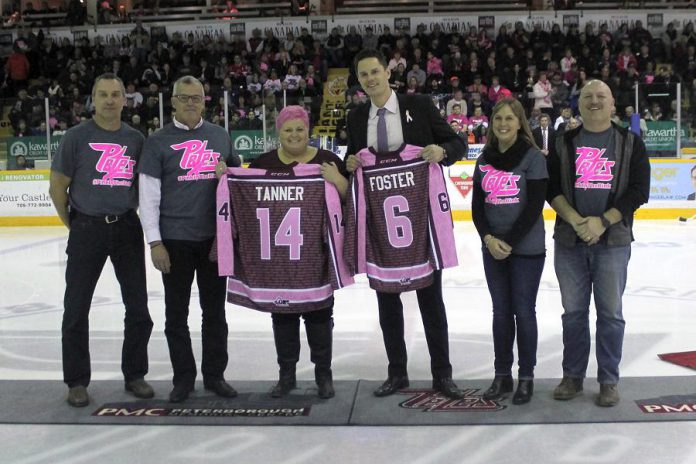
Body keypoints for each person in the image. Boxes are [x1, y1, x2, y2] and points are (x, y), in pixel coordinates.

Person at [345, 49, 467, 399]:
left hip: (422, 223)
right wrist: (350, 162)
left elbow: (456, 142)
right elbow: (349, 162)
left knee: (431, 302)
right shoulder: (356, 117)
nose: (370, 79)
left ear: (387, 73)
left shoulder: (421, 105)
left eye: (375, 72)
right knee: (387, 303)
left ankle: (442, 375)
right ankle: (396, 372)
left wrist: (442, 153)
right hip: (380, 228)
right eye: (363, 74)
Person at [220, 105, 349, 399]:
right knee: (283, 317)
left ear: (309, 131)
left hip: (316, 256)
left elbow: (349, 198)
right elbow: (244, 197)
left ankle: (323, 375)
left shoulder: (328, 161)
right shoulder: (264, 163)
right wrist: (225, 177)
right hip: (276, 259)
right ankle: (286, 375)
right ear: (279, 132)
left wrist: (337, 179)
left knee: (319, 316)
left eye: (300, 129)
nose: (294, 134)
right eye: (288, 129)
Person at [49, 73, 154, 407]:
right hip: (87, 229)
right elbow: (57, 188)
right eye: (103, 94)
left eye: (116, 94)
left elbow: (146, 187)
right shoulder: (76, 137)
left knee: (138, 307)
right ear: (93, 99)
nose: (110, 100)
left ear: (126, 99)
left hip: (126, 228)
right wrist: (76, 224)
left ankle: (135, 374)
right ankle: (77, 381)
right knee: (76, 308)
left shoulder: (136, 139)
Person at [547, 79, 650, 407]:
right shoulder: (563, 142)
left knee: (610, 315)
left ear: (612, 105)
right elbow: (551, 189)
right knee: (573, 314)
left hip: (613, 242)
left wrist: (602, 221)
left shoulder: (630, 142)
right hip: (569, 241)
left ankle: (608, 380)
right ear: (579, 104)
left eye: (601, 96)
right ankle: (573, 376)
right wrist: (578, 222)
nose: (594, 101)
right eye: (588, 96)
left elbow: (639, 191)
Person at [138, 76, 241, 403]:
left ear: (204, 100)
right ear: (173, 102)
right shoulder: (157, 142)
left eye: (196, 97)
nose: (191, 103)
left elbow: (238, 180)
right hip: (175, 242)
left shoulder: (219, 136)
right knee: (176, 314)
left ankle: (215, 376)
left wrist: (228, 172)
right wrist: (155, 242)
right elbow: (149, 196)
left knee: (214, 314)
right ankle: (183, 378)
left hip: (213, 240)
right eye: (184, 98)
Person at [472, 98, 548, 405]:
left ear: (519, 123)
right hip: (493, 249)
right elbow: (478, 207)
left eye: (509, 118)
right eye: (498, 119)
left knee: (524, 312)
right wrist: (489, 239)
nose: (503, 123)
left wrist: (509, 243)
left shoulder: (532, 157)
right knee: (500, 312)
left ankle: (526, 378)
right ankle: (501, 375)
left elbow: (534, 207)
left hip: (526, 249)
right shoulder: (484, 159)